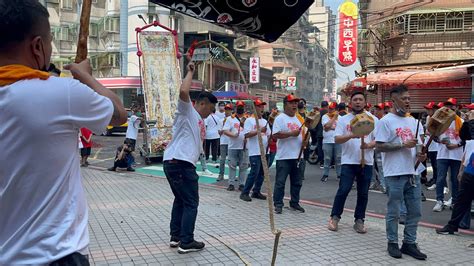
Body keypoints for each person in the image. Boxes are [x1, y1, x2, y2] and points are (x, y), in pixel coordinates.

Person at [0, 1, 127, 264]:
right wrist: (85, 77)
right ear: (37, 46)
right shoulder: (57, 93)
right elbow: (118, 113)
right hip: (55, 254)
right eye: (50, 42)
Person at [162, 59, 217, 254]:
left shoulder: (197, 119)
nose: (211, 113)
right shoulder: (188, 112)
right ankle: (186, 241)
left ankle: (176, 237)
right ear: (201, 103)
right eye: (210, 109)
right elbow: (183, 92)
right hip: (181, 164)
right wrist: (190, 72)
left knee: (181, 200)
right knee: (191, 202)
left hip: (176, 163)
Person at [375, 85, 427, 260]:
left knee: (415, 211)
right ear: (394, 100)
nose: (407, 101)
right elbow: (379, 146)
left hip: (413, 172)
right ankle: (392, 243)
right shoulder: (386, 121)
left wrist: (421, 154)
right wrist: (402, 145)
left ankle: (409, 243)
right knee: (394, 211)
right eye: (404, 98)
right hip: (394, 173)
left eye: (409, 98)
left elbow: (417, 145)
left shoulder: (413, 121)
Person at [328, 92, 377, 234]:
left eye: (360, 99)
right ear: (350, 102)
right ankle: (335, 217)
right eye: (355, 99)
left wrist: (368, 146)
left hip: (366, 162)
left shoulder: (373, 119)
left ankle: (359, 220)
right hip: (348, 161)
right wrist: (351, 135)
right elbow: (337, 139)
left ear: (365, 102)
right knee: (343, 190)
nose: (358, 102)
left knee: (363, 193)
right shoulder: (343, 120)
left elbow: (379, 139)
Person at [436, 108, 474, 234]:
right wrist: (462, 168)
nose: (468, 113)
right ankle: (453, 226)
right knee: (462, 199)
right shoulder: (466, 125)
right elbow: (466, 140)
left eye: (471, 111)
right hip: (470, 169)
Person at [272, 94, 305, 214]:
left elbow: (303, 134)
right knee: (280, 182)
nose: (295, 105)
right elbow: (275, 135)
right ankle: (278, 204)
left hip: (298, 156)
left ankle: (294, 203)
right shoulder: (280, 118)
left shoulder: (299, 119)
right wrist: (291, 133)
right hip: (284, 156)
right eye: (292, 103)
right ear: (285, 104)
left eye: (296, 102)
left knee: (297, 182)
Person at [432, 98, 463, 212]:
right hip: (442, 154)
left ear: (456, 108)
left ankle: (454, 201)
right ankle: (439, 201)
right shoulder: (439, 120)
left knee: (455, 179)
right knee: (440, 178)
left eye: (452, 106)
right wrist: (440, 141)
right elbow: (433, 136)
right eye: (447, 106)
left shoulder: (461, 122)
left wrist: (456, 145)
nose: (449, 108)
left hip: (457, 155)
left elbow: (465, 139)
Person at [240, 99, 270, 202]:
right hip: (254, 151)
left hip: (264, 151)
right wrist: (259, 130)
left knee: (262, 172)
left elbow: (269, 135)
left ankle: (256, 191)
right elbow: (246, 134)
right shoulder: (250, 120)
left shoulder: (265, 121)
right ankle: (245, 192)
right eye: (259, 106)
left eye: (262, 106)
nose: (261, 108)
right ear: (254, 108)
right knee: (254, 172)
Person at [223, 100, 249, 191]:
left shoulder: (248, 119)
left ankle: (242, 184)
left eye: (242, 107)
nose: (240, 109)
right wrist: (232, 135)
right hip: (233, 146)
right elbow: (225, 130)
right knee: (232, 165)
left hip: (244, 146)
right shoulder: (230, 119)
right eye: (239, 107)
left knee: (243, 166)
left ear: (244, 108)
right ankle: (231, 184)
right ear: (236, 108)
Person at [321, 102, 342, 181]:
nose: (330, 110)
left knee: (339, 158)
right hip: (327, 141)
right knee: (327, 158)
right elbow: (326, 127)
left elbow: (340, 129)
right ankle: (325, 174)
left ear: (336, 109)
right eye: (329, 108)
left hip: (337, 140)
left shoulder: (340, 118)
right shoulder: (325, 116)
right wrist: (334, 118)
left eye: (332, 109)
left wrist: (330, 127)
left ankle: (339, 175)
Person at [424, 102, 439, 189]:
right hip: (430, 145)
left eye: (429, 109)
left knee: (436, 165)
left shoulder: (437, 119)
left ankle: (437, 182)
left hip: (436, 146)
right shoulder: (428, 117)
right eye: (427, 109)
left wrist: (430, 132)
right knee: (433, 165)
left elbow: (434, 132)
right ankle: (434, 180)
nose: (427, 111)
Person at [217, 103, 233, 181]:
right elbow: (219, 133)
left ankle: (232, 176)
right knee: (222, 159)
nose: (227, 111)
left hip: (231, 142)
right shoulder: (221, 120)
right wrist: (224, 126)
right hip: (223, 141)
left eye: (229, 109)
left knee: (231, 160)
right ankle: (221, 174)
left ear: (231, 110)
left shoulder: (233, 120)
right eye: (226, 109)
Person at [313, 101, 329, 168]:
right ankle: (329, 162)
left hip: (319, 133)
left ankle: (321, 162)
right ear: (327, 106)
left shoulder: (318, 113)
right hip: (327, 133)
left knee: (320, 148)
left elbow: (314, 123)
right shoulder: (329, 113)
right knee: (327, 148)